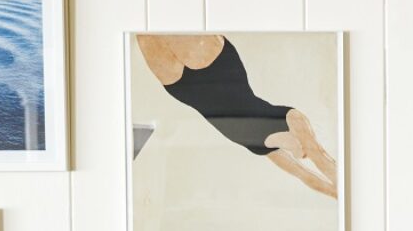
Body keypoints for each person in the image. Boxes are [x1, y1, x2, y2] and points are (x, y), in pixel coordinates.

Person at [136, 33, 337, 198]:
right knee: (163, 23)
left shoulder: (264, 150)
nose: (304, 151)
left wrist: (339, 195)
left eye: (301, 151)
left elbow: (306, 176)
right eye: (303, 149)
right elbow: (320, 156)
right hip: (219, 70)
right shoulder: (291, 118)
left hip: (187, 89)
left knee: (146, 31)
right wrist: (343, 192)